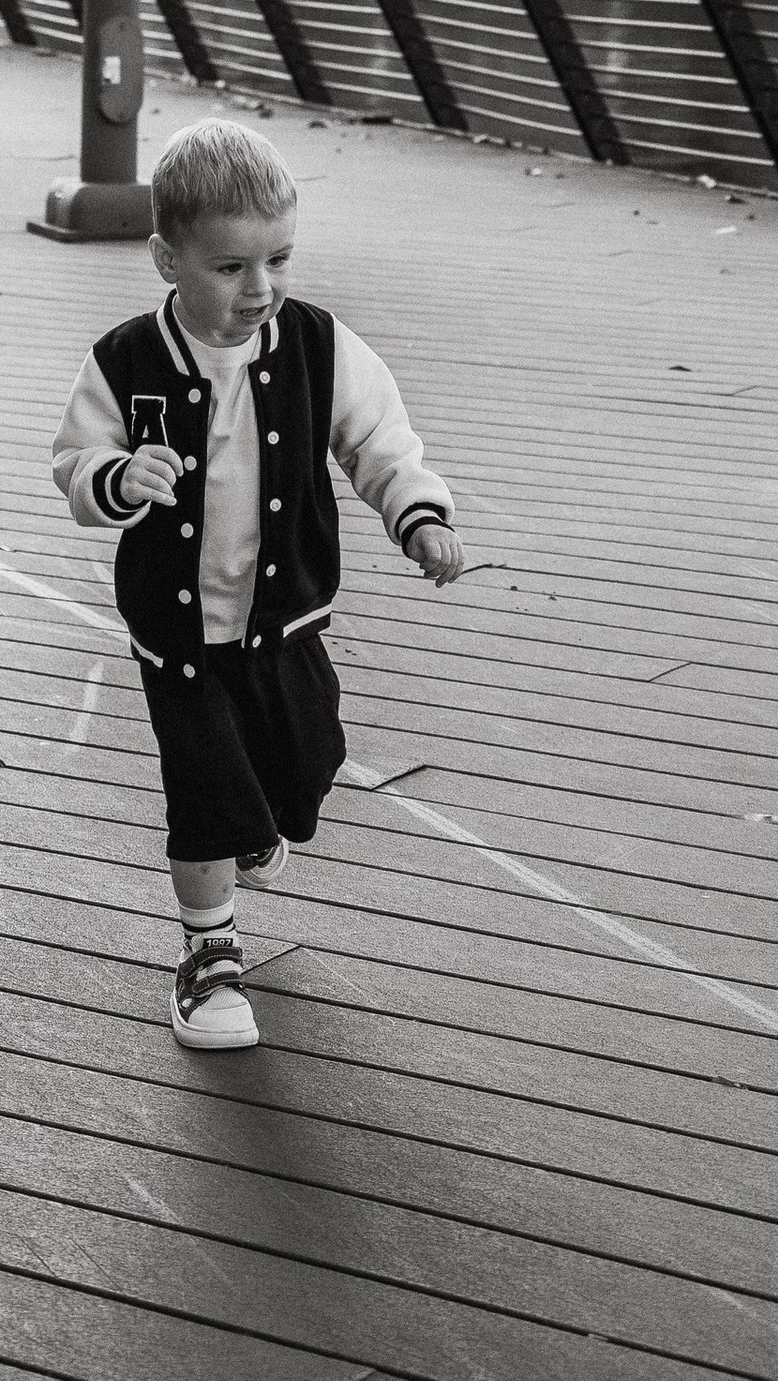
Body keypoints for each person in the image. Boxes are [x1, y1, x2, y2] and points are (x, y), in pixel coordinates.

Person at [52, 116, 466, 1052]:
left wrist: (419, 513)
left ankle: (261, 822)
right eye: (231, 267)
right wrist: (116, 480)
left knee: (305, 764)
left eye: (278, 259)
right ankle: (208, 958)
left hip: (285, 620)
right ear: (167, 259)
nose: (261, 288)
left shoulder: (319, 346)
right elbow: (77, 460)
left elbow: (377, 441)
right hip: (180, 632)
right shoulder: (126, 360)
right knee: (203, 787)